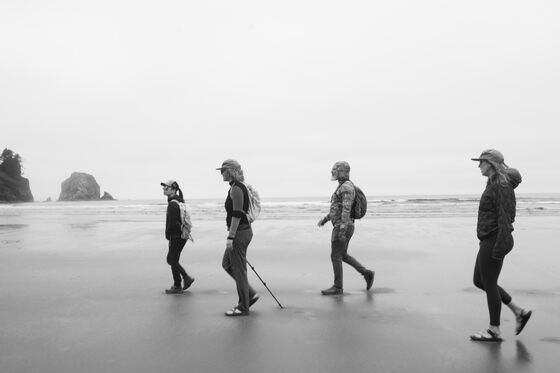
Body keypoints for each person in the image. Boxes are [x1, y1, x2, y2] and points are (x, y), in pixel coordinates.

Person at [469, 150, 532, 342]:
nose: (478, 165)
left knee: (488, 283)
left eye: (481, 162)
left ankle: (494, 330)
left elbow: (506, 218)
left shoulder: (501, 186)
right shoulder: (494, 183)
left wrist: (500, 245)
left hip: (496, 239)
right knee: (480, 281)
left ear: (490, 163)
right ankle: (519, 311)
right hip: (489, 238)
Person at [317, 161, 375, 295]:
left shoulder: (346, 187)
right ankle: (367, 273)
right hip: (345, 225)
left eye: (335, 169)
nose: (333, 172)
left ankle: (338, 287)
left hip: (343, 226)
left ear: (342, 172)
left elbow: (346, 209)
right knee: (342, 255)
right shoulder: (343, 186)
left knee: (335, 255)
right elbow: (337, 208)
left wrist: (342, 228)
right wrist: (325, 220)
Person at [217, 159, 259, 316]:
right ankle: (250, 294)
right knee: (227, 264)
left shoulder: (237, 189)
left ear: (230, 171)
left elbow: (237, 214)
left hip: (240, 233)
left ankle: (243, 307)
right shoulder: (235, 187)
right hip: (241, 231)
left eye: (223, 170)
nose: (221, 173)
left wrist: (231, 237)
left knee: (239, 270)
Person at [161, 180, 195, 294]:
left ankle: (179, 284)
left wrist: (168, 234)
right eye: (164, 187)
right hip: (182, 235)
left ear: (174, 189)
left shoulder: (172, 204)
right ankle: (183, 281)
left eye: (166, 187)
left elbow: (173, 222)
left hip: (176, 236)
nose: (164, 189)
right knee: (172, 260)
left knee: (172, 260)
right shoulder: (179, 202)